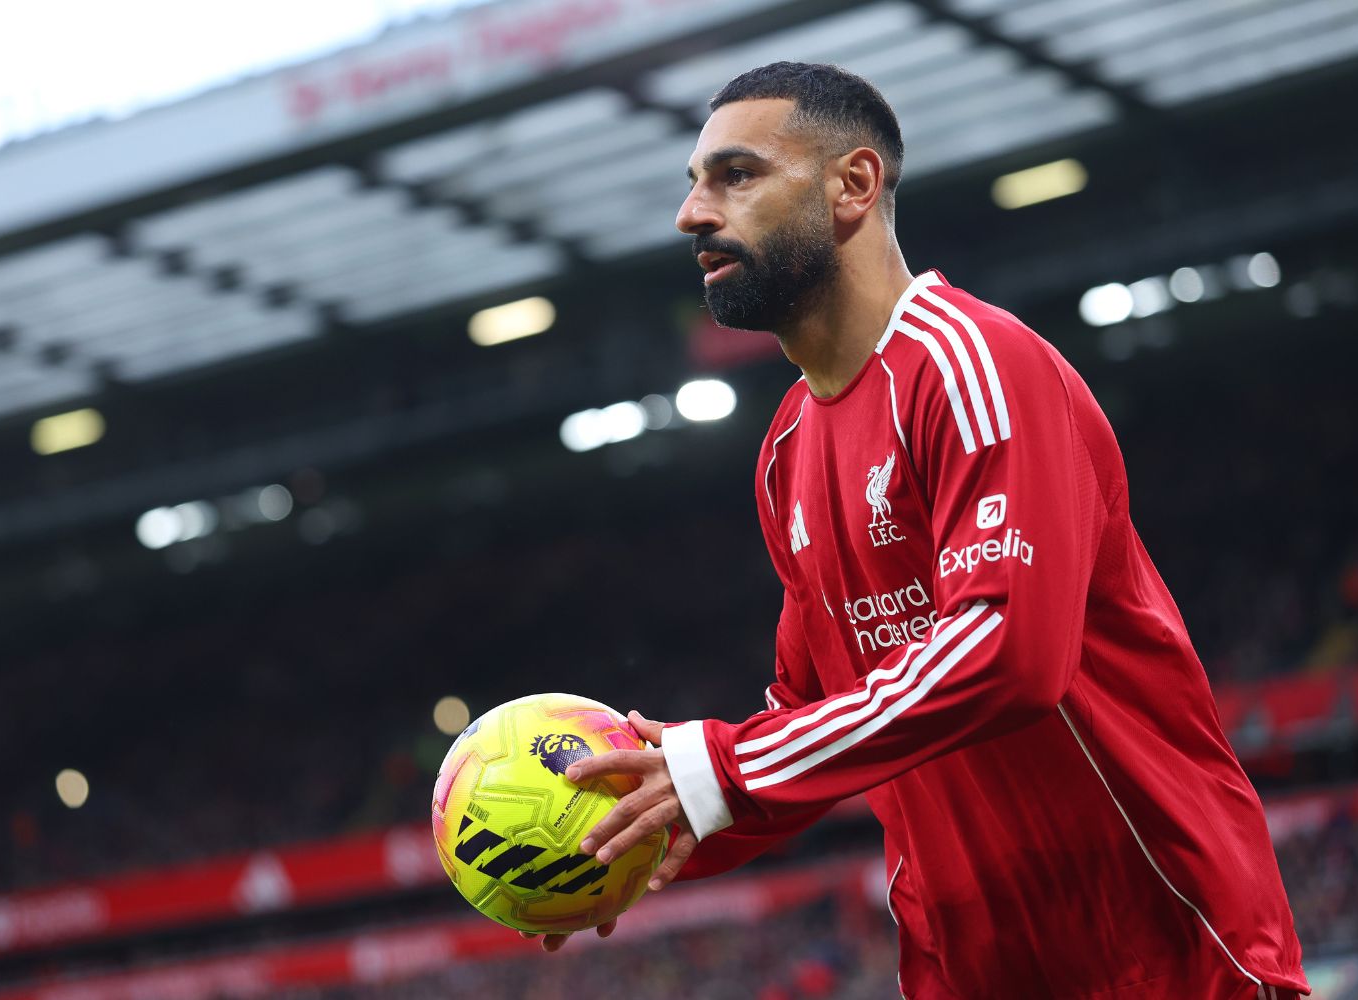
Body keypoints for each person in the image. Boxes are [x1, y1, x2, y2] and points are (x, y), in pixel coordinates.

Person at [536, 62, 1309, 999]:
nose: (692, 214)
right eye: (695, 182)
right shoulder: (785, 449)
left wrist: (726, 770)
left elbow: (1005, 650)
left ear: (853, 186)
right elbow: (806, 721)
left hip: (1163, 951)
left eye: (735, 176)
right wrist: (654, 829)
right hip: (970, 969)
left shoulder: (975, 364)